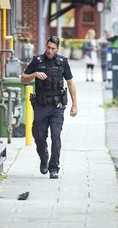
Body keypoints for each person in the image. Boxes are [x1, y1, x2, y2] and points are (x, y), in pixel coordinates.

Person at [21, 36, 78, 179]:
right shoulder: (37, 61)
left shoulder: (62, 62)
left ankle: (54, 168)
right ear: (45, 46)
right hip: (40, 105)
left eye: (53, 48)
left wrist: (74, 105)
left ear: (57, 49)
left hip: (57, 106)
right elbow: (23, 79)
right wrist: (34, 74)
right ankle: (44, 157)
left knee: (56, 136)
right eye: (48, 47)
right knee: (39, 137)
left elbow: (70, 83)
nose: (50, 51)